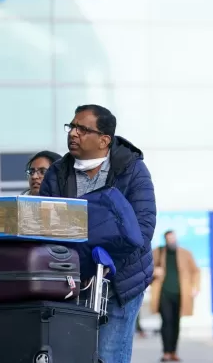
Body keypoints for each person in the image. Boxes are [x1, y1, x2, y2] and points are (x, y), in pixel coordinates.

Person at [40, 104, 156, 363]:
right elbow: (43, 228)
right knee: (71, 355)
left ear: (104, 140)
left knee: (108, 355)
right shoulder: (57, 173)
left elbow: (143, 229)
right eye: (71, 126)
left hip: (121, 280)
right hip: (72, 282)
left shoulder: (132, 170)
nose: (73, 133)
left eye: (82, 128)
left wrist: (102, 260)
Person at [148, 230, 200, 362]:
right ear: (165, 240)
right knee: (166, 322)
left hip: (180, 294)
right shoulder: (158, 252)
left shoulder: (185, 253)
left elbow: (195, 271)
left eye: (173, 238)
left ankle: (173, 351)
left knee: (176, 323)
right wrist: (155, 271)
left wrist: (195, 287)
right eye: (169, 239)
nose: (171, 241)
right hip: (163, 293)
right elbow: (147, 268)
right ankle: (166, 352)